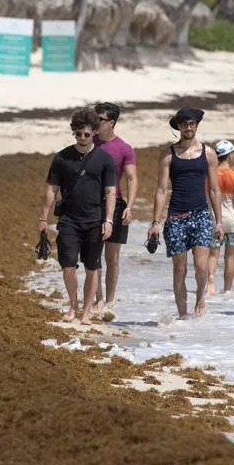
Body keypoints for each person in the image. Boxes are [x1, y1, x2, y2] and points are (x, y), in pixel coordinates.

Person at [38, 108, 118, 324]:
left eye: (86, 134)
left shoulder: (105, 159)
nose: (82, 138)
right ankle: (73, 305)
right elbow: (51, 190)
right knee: (68, 265)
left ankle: (85, 312)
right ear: (74, 132)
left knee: (92, 267)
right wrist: (43, 218)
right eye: (78, 134)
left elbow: (111, 192)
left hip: (95, 220)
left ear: (94, 132)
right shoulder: (62, 158)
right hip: (69, 220)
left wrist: (109, 221)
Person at [148, 107, 222, 320]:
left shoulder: (208, 153)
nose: (188, 128)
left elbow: (214, 189)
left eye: (192, 124)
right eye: (184, 124)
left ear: (197, 125)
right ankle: (183, 315)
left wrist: (218, 221)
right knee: (179, 269)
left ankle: (200, 297)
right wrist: (155, 222)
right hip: (176, 216)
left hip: (201, 214)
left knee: (201, 267)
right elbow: (161, 190)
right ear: (178, 127)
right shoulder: (168, 155)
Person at [92, 101, 138, 321]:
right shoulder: (88, 142)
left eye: (99, 119)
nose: (95, 122)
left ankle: (109, 301)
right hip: (91, 204)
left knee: (112, 256)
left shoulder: (124, 148)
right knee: (93, 254)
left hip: (117, 203)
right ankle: (97, 298)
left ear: (111, 122)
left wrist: (130, 206)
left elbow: (131, 178)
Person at [212, 139, 234, 298]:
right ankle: (227, 290)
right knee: (230, 257)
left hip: (214, 218)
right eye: (233, 153)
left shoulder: (210, 175)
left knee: (213, 255)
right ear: (229, 155)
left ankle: (210, 282)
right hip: (232, 220)